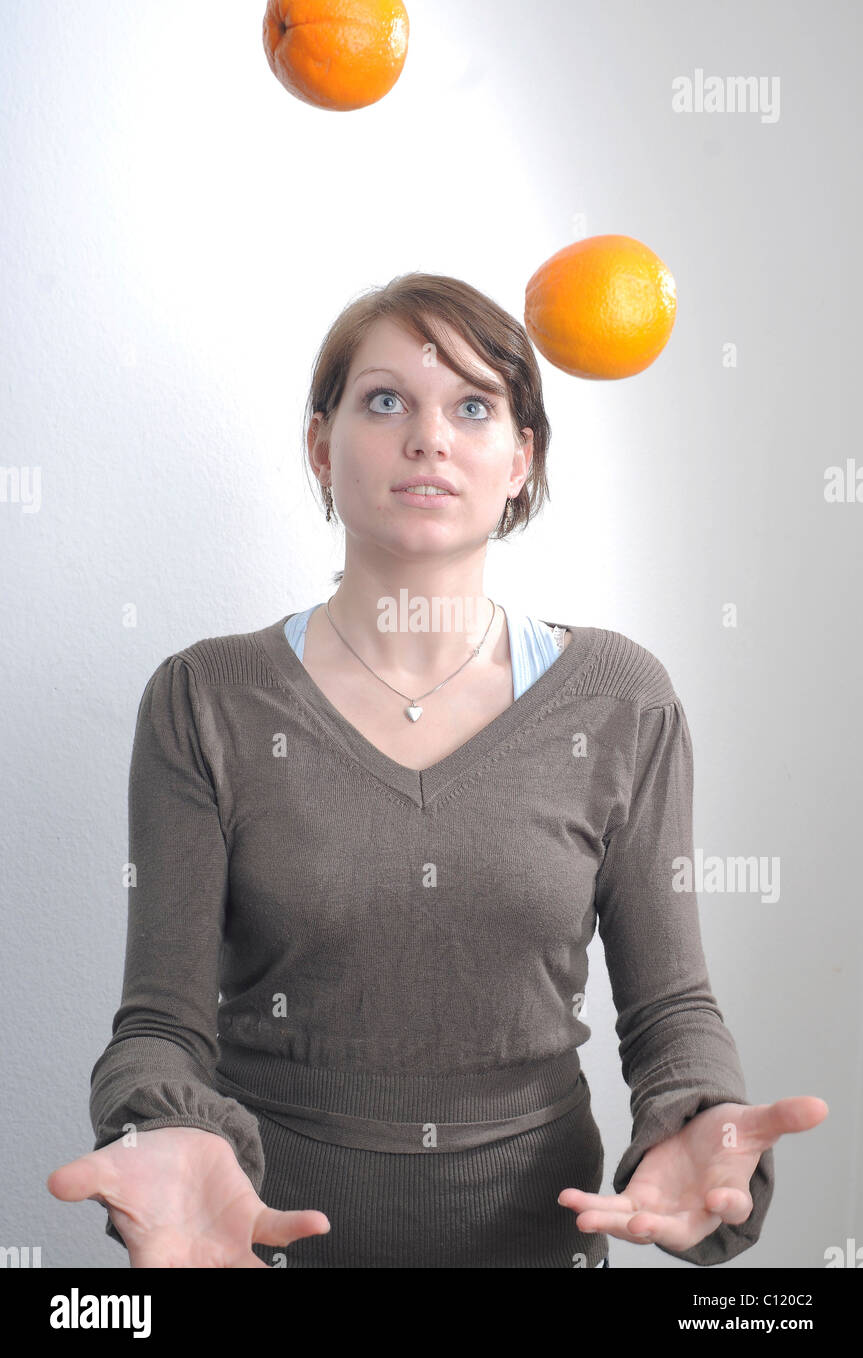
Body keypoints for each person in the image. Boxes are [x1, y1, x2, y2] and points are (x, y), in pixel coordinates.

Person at [47, 273, 827, 1268]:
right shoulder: (205, 698)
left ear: (519, 458)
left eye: (472, 405)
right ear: (321, 447)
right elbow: (160, 1023)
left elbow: (669, 1009)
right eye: (385, 401)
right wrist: (160, 1131)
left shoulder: (622, 700)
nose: (429, 437)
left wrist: (697, 1118)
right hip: (252, 1245)